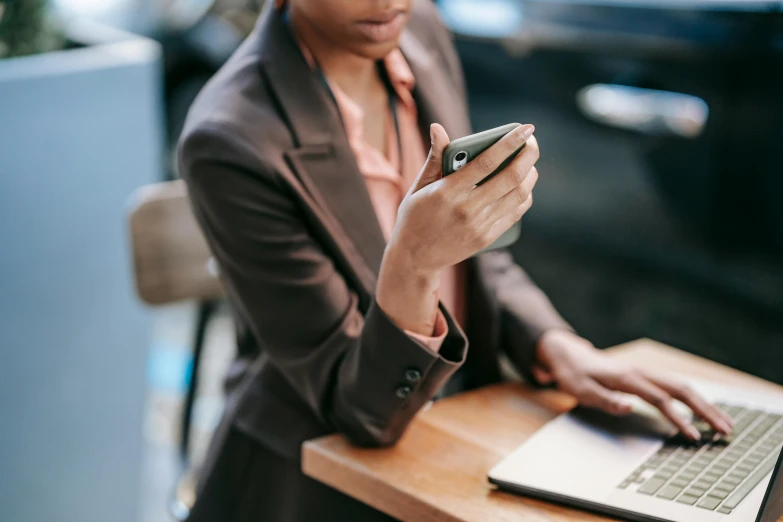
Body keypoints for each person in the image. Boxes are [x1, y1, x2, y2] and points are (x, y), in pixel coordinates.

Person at [178, 0, 733, 520]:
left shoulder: (417, 32)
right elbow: (361, 413)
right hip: (312, 478)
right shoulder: (229, 139)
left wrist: (560, 347)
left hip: (457, 429)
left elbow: (478, 260)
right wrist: (414, 266)